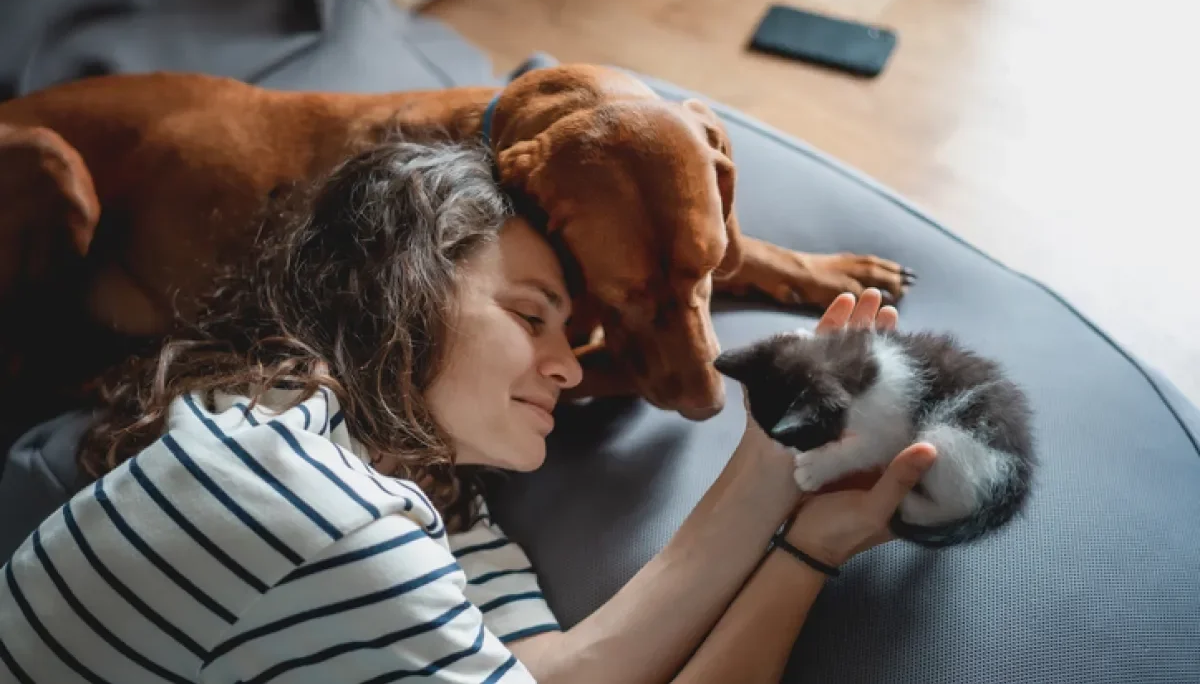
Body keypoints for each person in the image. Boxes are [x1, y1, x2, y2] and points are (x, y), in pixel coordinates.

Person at [0, 138, 936, 684]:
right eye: (530, 315)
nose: (570, 370)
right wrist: (805, 559)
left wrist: (782, 484)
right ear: (395, 288)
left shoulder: (417, 490)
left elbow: (574, 670)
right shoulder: (312, 501)